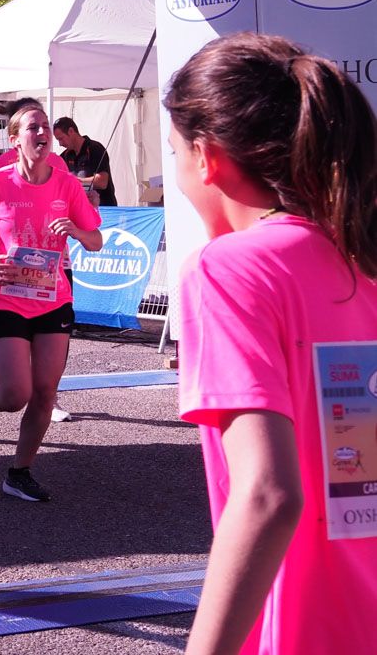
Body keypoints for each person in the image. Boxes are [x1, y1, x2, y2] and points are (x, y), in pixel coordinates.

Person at [163, 33, 377, 655]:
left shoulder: (229, 271)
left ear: (206, 158)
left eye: (175, 152)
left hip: (311, 629)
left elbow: (267, 493)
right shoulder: (359, 255)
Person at [0, 101, 102, 503]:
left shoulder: (67, 185)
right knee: (16, 393)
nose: (43, 132)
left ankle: (19, 472)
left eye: (46, 126)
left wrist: (77, 230)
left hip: (53, 299)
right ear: (15, 139)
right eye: (33, 126)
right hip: (5, 298)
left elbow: (96, 240)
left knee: (46, 392)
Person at [52, 117, 117, 206]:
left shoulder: (95, 148)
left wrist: (74, 181)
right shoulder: (65, 156)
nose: (60, 144)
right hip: (81, 211)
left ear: (71, 131)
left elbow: (102, 182)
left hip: (104, 211)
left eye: (61, 138)